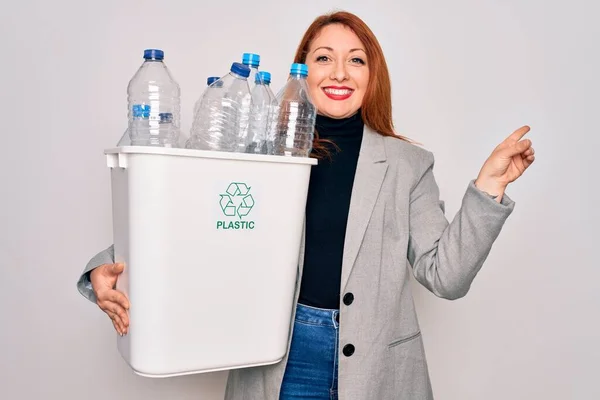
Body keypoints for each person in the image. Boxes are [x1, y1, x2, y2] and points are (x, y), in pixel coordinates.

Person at [77, 10, 535, 400]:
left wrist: (487, 187)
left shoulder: (408, 164)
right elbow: (180, 216)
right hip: (280, 354)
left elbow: (446, 276)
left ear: (372, 76)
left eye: (356, 60)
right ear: (302, 72)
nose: (339, 72)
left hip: (377, 365)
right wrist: (107, 266)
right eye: (323, 59)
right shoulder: (257, 150)